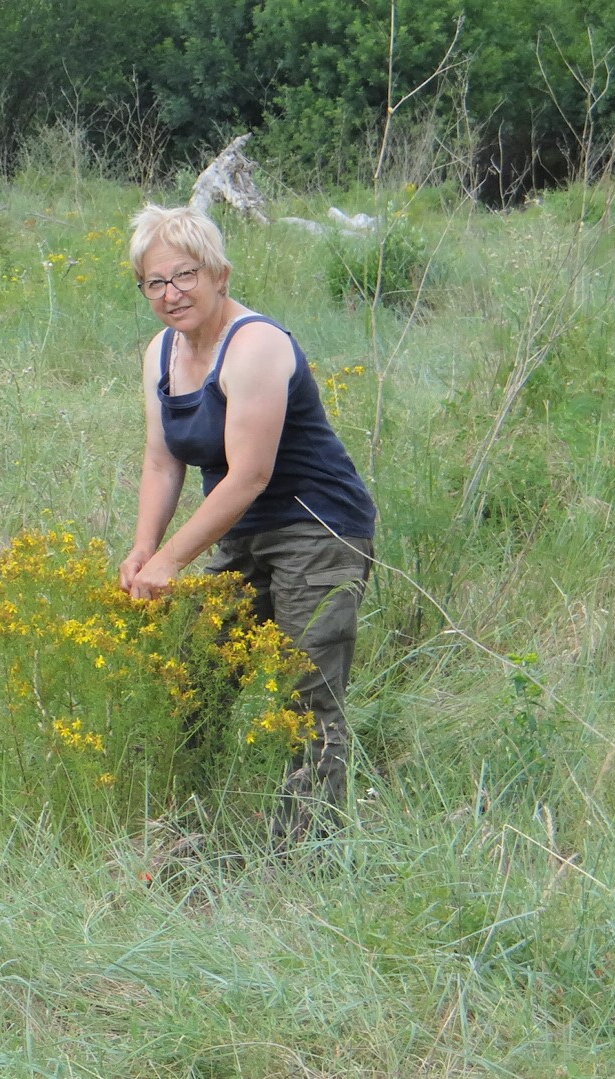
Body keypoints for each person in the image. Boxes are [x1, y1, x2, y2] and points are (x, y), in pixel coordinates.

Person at [119, 204, 376, 841]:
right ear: (143, 289)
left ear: (220, 275)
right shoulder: (160, 353)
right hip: (240, 530)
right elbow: (161, 461)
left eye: (186, 275)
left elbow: (249, 476)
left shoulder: (256, 344)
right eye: (157, 282)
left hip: (319, 527)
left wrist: (171, 562)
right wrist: (142, 549)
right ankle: (190, 827)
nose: (172, 293)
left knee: (306, 687)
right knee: (198, 673)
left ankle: (307, 852)